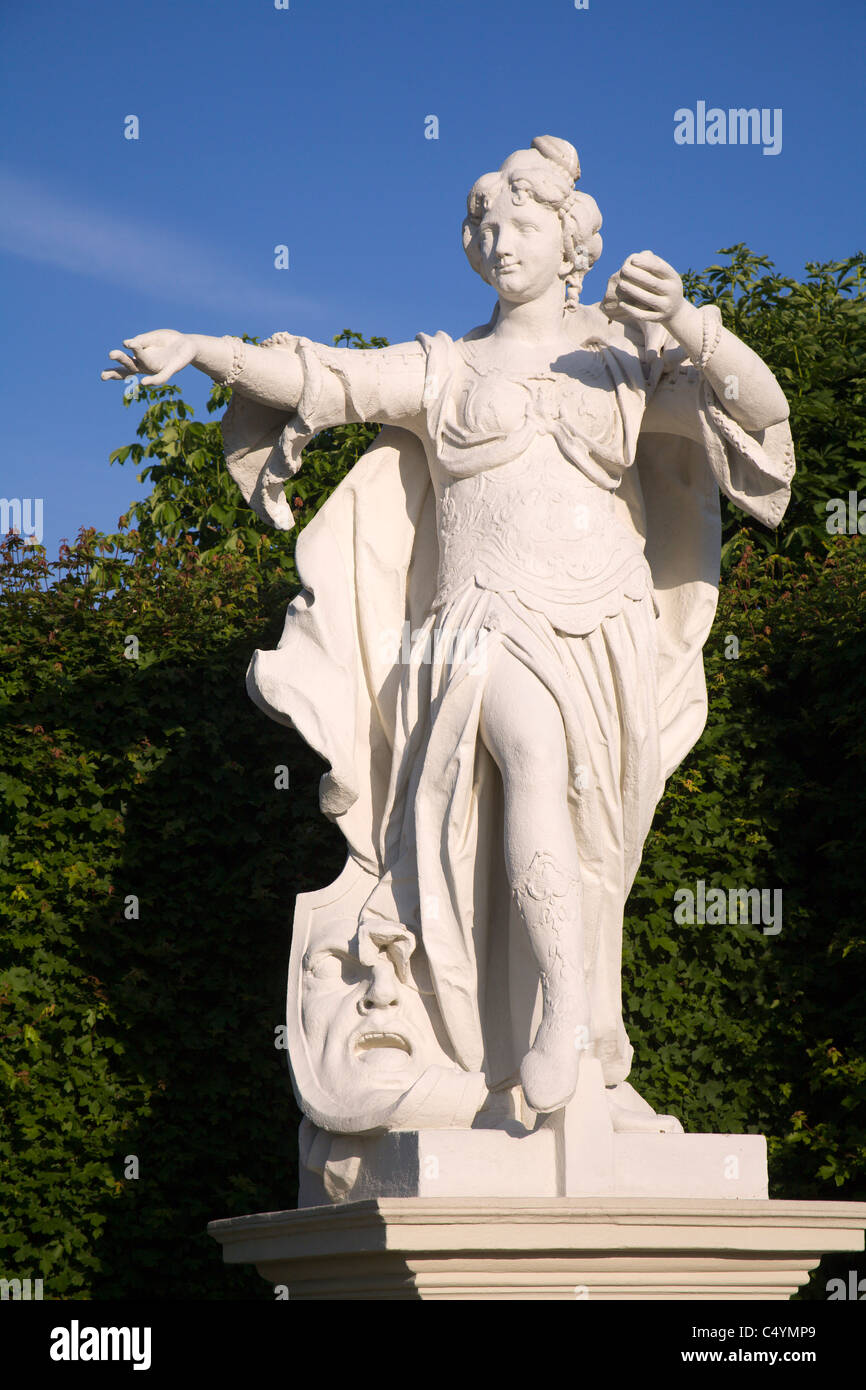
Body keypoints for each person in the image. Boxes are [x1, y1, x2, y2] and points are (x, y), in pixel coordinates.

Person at [103, 136, 794, 1127]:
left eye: (521, 225)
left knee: (594, 839)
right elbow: (319, 378)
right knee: (529, 750)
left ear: (571, 244)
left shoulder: (627, 360)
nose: (499, 242)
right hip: (475, 620)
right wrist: (203, 350)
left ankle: (575, 1031)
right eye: (485, 226)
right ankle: (557, 1015)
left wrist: (688, 321)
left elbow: (761, 415)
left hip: (604, 623)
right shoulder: (443, 368)